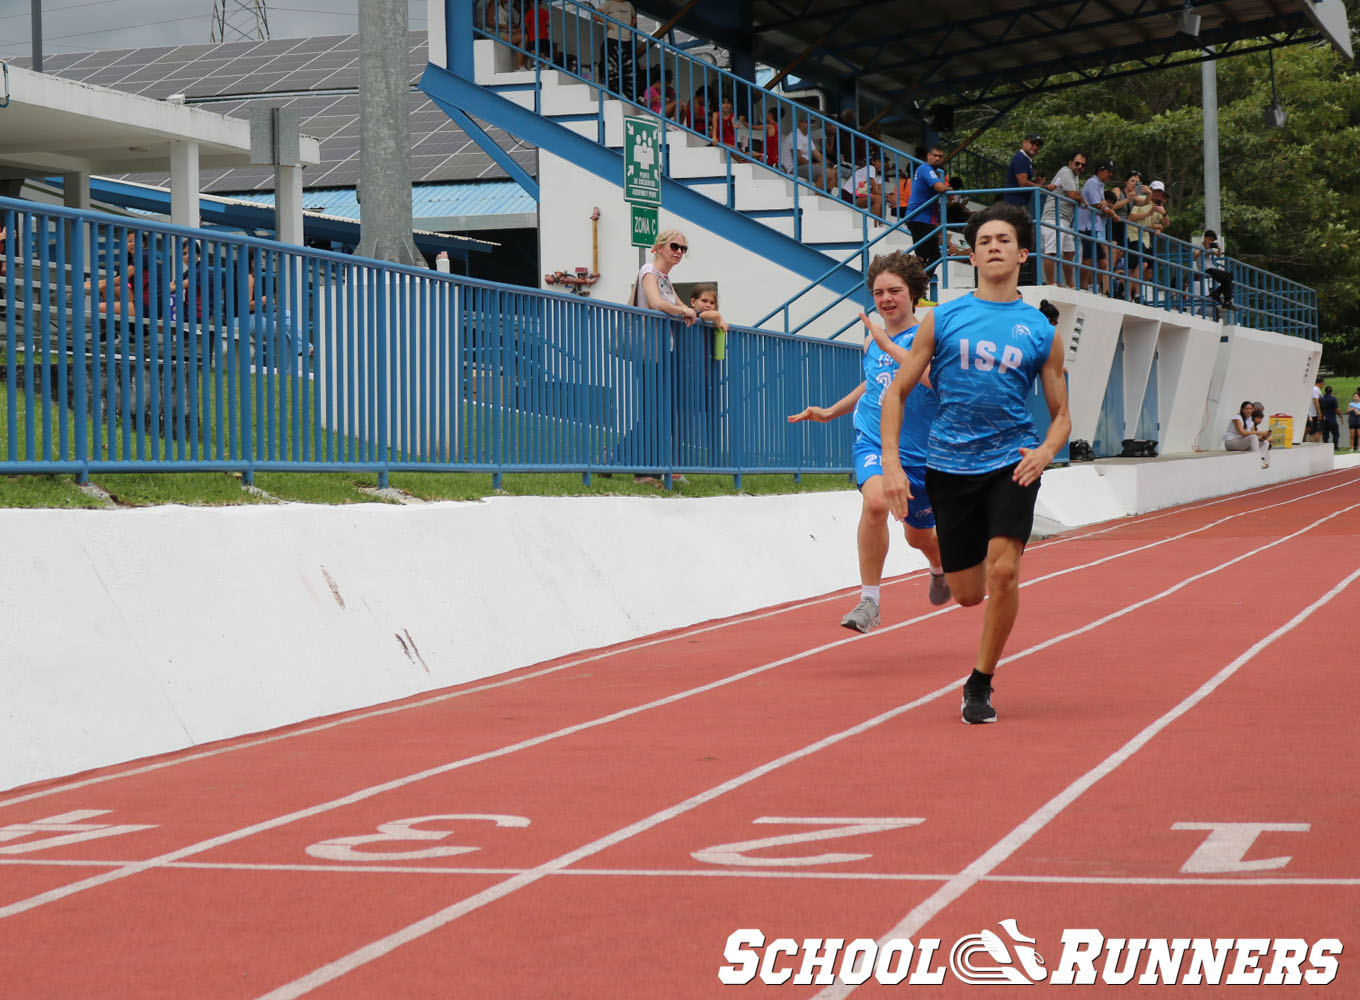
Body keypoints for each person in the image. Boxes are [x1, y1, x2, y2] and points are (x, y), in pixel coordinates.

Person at [878, 201, 1071, 725]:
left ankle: (980, 683)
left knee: (1004, 572)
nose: (993, 247)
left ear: (1022, 254)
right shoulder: (943, 318)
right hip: (947, 466)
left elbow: (1061, 417)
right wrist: (892, 463)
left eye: (1003, 240)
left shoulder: (1040, 331)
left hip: (1013, 462)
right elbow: (895, 393)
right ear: (972, 254)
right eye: (984, 240)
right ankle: (955, 570)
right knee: (968, 595)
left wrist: (1046, 451)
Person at [787, 251, 950, 633]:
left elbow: (930, 380)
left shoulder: (930, 336)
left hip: (919, 454)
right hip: (874, 442)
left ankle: (939, 568)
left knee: (919, 537)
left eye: (895, 290)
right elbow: (873, 382)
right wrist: (830, 411)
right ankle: (870, 601)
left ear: (913, 293)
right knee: (875, 502)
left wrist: (886, 343)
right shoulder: (871, 342)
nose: (886, 299)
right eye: (878, 292)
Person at [622, 229, 697, 484]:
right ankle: (643, 471)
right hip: (648, 352)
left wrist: (690, 310)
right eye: (674, 246)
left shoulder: (664, 278)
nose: (678, 252)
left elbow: (681, 306)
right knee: (652, 411)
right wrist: (682, 310)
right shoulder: (649, 271)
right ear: (660, 247)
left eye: (683, 249)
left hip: (664, 351)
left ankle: (613, 458)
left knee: (659, 411)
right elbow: (656, 303)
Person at [904, 145, 951, 268]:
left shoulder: (931, 171)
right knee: (934, 257)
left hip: (920, 218)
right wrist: (949, 189)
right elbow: (940, 188)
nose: (937, 158)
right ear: (928, 156)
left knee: (922, 257)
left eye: (940, 157)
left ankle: (918, 282)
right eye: (934, 155)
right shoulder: (926, 168)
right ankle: (921, 281)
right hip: (919, 217)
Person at [1042, 151, 1084, 287]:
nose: (1079, 167)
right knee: (1051, 251)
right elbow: (1073, 195)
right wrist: (1082, 198)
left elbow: (1076, 197)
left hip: (1065, 219)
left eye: (1082, 165)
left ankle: (1071, 285)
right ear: (1070, 163)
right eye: (1077, 163)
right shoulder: (1066, 172)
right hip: (1053, 217)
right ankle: (1050, 283)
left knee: (1069, 252)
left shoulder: (1074, 177)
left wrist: (1080, 198)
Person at [1077, 160, 1116, 293]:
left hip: (1095, 226)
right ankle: (1081, 285)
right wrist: (1107, 209)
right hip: (1088, 225)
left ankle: (1094, 287)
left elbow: (1100, 204)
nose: (1110, 174)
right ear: (1101, 170)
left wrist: (1104, 205)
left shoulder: (1099, 185)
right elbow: (1096, 204)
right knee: (1088, 258)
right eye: (1108, 171)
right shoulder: (1092, 183)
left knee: (1102, 262)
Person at [594, 0, 636, 101]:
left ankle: (627, 96)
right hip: (613, 39)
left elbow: (634, 17)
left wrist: (630, 27)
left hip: (627, 41)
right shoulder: (609, 3)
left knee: (628, 70)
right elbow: (595, 15)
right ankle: (615, 95)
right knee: (613, 70)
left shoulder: (628, 4)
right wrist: (607, 24)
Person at [780, 115, 829, 189]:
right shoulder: (796, 135)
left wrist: (827, 163)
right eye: (807, 122)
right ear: (800, 123)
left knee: (833, 171)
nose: (811, 125)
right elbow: (798, 159)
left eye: (812, 123)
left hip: (803, 167)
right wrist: (815, 164)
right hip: (792, 169)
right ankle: (820, 195)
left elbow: (818, 155)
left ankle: (826, 195)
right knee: (826, 172)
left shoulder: (806, 137)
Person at [1223, 399, 1271, 466]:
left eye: (1251, 409)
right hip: (1231, 443)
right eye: (1247, 409)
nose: (1249, 411)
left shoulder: (1250, 420)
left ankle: (1261, 459)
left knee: (1265, 442)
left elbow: (1254, 435)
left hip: (1241, 443)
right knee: (1253, 436)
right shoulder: (1237, 418)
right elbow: (1242, 433)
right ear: (1242, 410)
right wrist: (1260, 432)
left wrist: (1264, 437)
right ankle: (1257, 461)